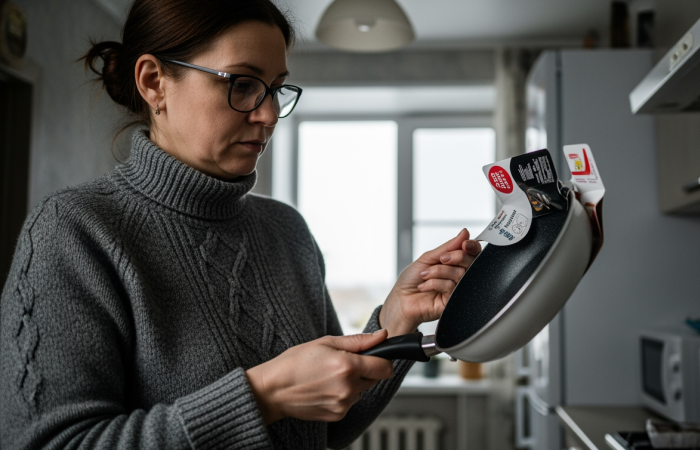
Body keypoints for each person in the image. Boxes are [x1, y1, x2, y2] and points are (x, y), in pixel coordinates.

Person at [0, 1, 481, 448]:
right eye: (242, 84)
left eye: (275, 89)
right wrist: (264, 395)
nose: (269, 114)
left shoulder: (288, 231)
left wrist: (395, 320)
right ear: (154, 82)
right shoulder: (74, 232)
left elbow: (327, 428)